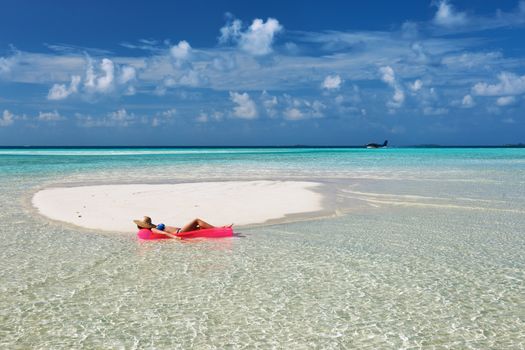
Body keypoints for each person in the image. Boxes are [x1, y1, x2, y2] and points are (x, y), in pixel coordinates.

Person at [133, 216, 232, 238]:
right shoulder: (152, 229)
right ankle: (219, 229)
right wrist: (174, 237)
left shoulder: (151, 229)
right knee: (196, 221)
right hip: (179, 232)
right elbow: (164, 233)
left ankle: (220, 228)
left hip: (180, 231)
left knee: (200, 226)